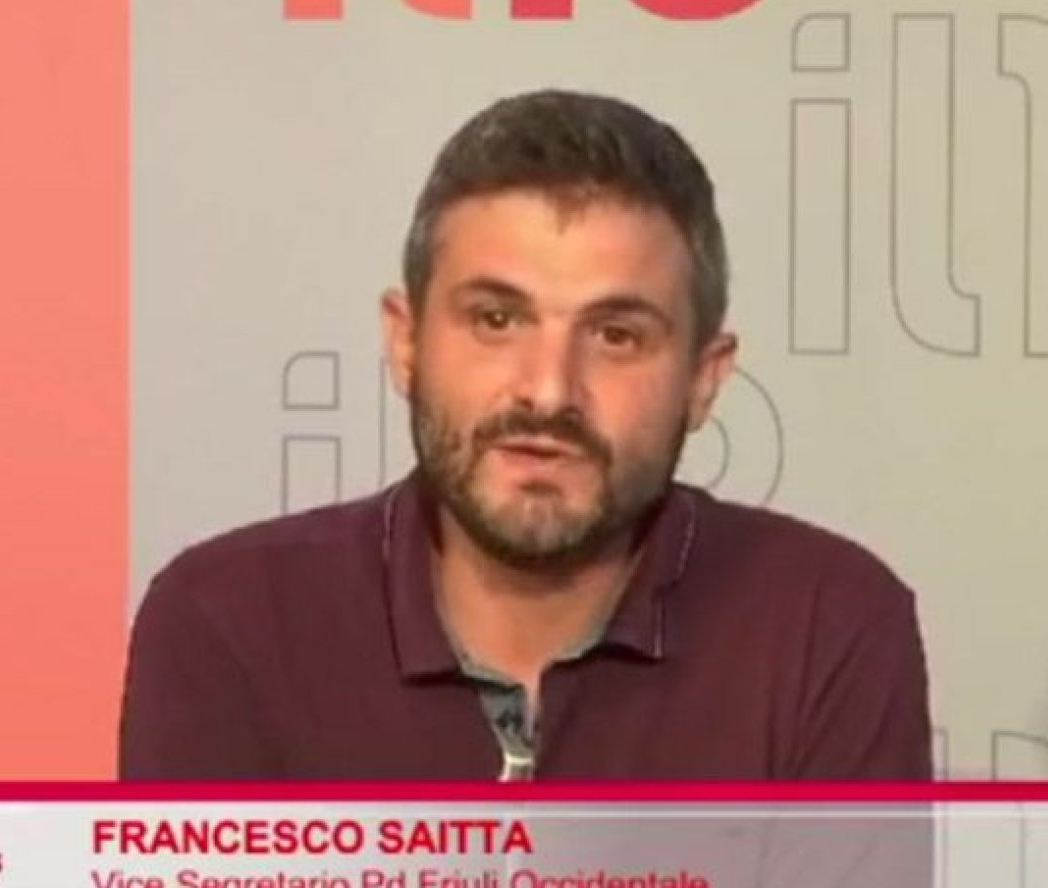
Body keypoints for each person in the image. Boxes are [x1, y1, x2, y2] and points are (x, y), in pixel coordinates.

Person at [119, 88, 932, 782]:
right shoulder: (228, 625)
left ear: (703, 378)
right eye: (496, 320)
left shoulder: (827, 624)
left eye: (616, 335)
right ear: (406, 341)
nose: (547, 391)